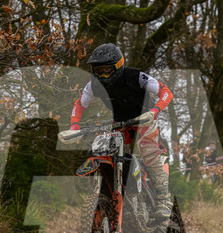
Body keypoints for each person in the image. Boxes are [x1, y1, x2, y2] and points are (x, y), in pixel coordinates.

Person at [58, 43, 174, 217]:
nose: (103, 75)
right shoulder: (94, 85)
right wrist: (74, 126)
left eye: (106, 70)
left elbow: (166, 92)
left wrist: (154, 111)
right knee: (107, 150)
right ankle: (114, 192)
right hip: (120, 122)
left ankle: (165, 200)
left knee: (149, 152)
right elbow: (80, 104)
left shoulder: (137, 76)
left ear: (118, 65)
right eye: (99, 71)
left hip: (145, 119)